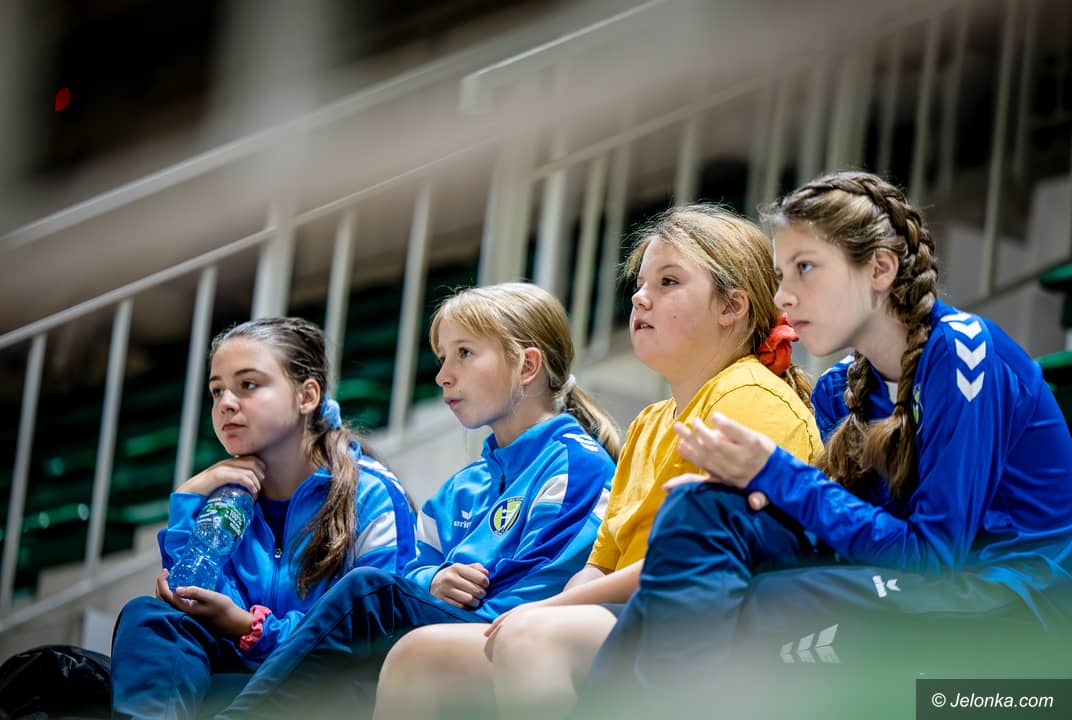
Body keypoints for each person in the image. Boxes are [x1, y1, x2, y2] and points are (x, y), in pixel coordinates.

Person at [584, 171, 1072, 715]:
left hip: (1016, 601)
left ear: (879, 270)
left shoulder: (964, 353)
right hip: (911, 584)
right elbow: (847, 531)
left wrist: (777, 474)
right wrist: (750, 496)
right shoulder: (837, 389)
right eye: (780, 274)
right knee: (702, 508)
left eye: (806, 268)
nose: (783, 296)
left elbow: (934, 557)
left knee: (765, 604)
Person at [374, 205, 824, 720]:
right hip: (639, 614)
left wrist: (546, 610)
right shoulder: (650, 422)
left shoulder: (751, 397)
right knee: (418, 655)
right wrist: (556, 606)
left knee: (528, 638)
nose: (640, 296)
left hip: (721, 621)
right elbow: (600, 563)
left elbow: (690, 561)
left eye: (668, 281)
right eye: (641, 283)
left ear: (731, 306)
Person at [215, 282, 619, 719]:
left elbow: (541, 585)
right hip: (455, 625)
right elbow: (415, 568)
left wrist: (431, 596)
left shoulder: (576, 463)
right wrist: (434, 581)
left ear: (528, 366)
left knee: (369, 592)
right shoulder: (462, 487)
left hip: (513, 631)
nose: (443, 375)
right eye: (442, 357)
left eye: (464, 353)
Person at [110, 317, 417, 720]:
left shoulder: (371, 493)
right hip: (240, 680)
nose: (226, 403)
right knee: (149, 616)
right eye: (217, 390)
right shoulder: (223, 496)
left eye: (248, 384)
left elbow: (377, 632)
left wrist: (248, 627)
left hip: (327, 688)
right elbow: (189, 597)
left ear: (307, 396)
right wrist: (188, 498)